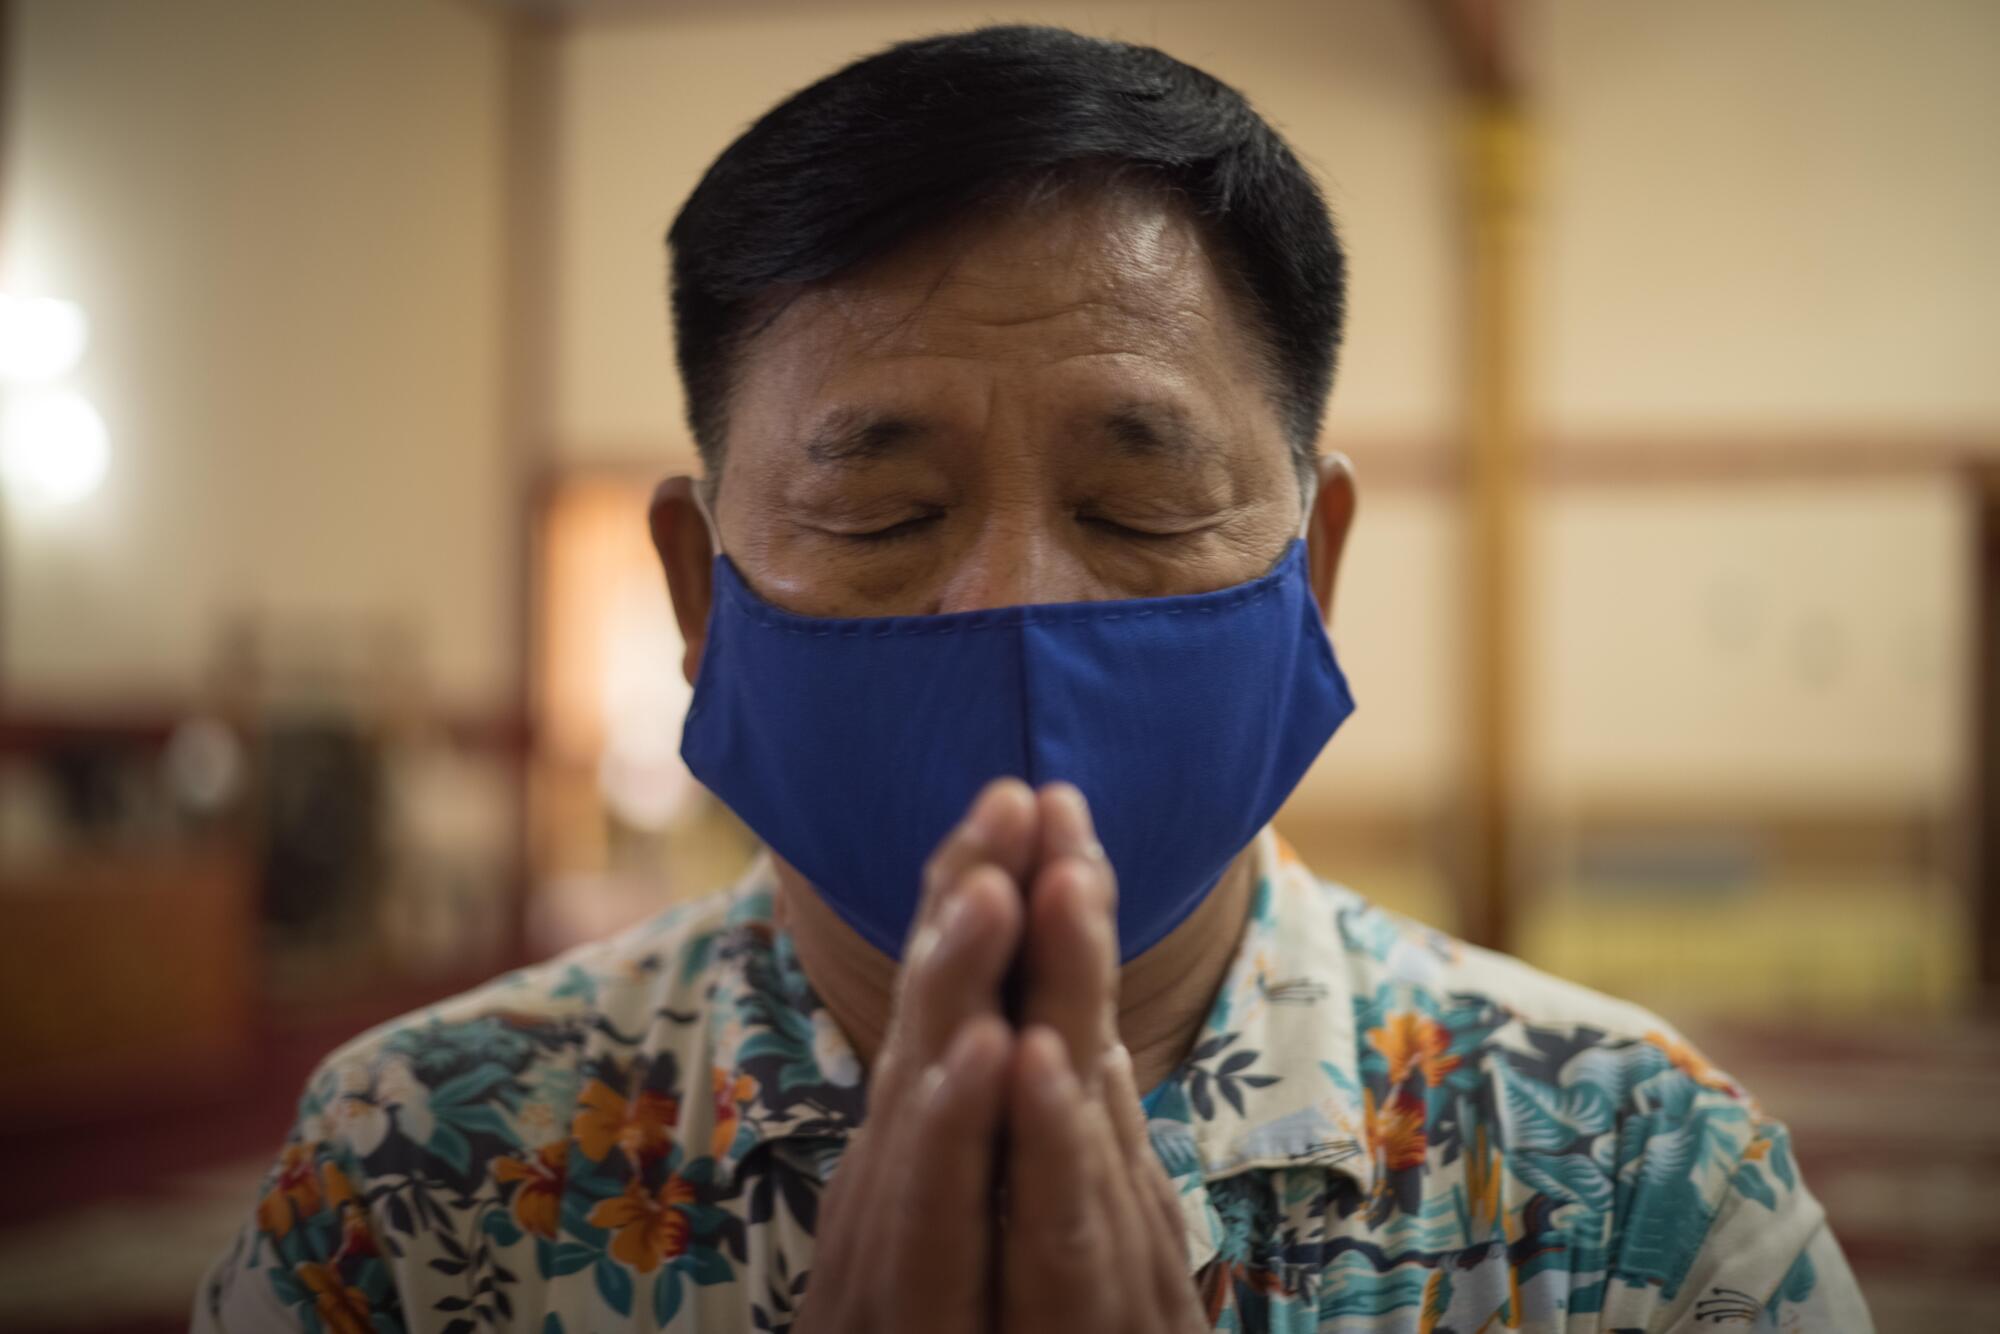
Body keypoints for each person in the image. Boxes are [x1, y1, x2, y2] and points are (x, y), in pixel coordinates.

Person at [196, 25, 1871, 1333]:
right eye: (886, 510)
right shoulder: (418, 1176)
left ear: (1321, 566)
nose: (1013, 605)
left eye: (1136, 500)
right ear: (701, 594)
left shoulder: (1635, 1186)